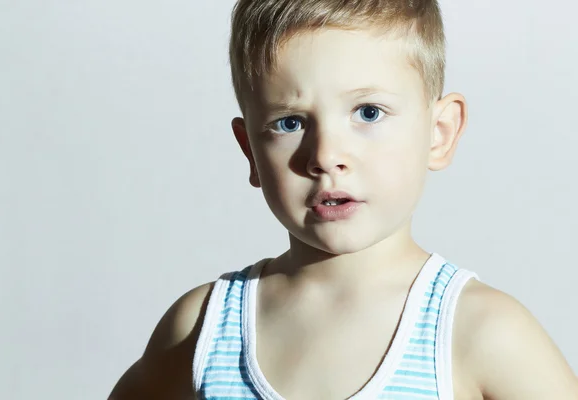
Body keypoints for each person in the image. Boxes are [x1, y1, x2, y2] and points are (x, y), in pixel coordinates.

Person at [109, 0, 578, 398]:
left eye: (368, 112)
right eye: (290, 123)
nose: (326, 156)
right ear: (250, 150)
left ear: (439, 133)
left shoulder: (481, 332)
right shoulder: (202, 329)